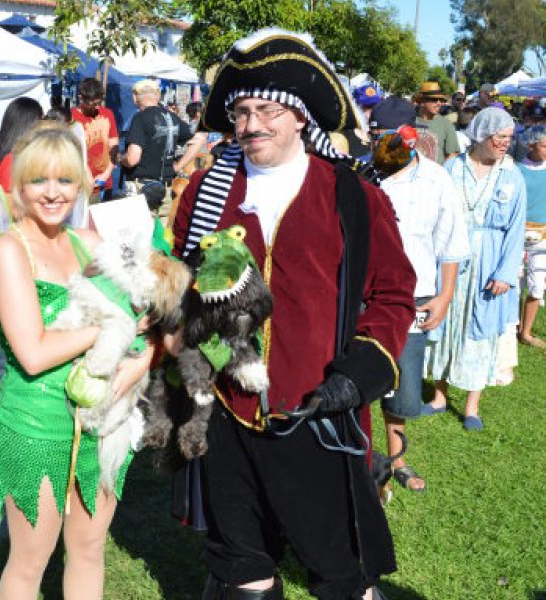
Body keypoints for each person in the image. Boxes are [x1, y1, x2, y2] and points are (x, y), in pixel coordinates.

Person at [170, 29, 416, 600]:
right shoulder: (209, 191)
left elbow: (394, 294)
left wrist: (356, 376)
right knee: (239, 567)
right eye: (242, 111)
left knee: (341, 571)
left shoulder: (352, 196)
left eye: (268, 110)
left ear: (301, 117)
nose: (252, 124)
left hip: (317, 416)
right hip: (226, 413)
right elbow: (182, 285)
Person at [0, 123, 153, 599]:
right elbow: (33, 354)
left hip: (102, 422)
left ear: (83, 185)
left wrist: (138, 364)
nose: (53, 193)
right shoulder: (9, 250)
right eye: (39, 180)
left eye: (65, 181)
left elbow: (153, 319)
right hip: (36, 425)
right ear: (19, 185)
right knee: (29, 563)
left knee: (89, 549)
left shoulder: (87, 243)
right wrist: (108, 328)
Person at [368, 97, 470, 492]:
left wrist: (445, 296)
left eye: (386, 137)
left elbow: (451, 243)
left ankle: (396, 460)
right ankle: (358, 459)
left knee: (402, 387)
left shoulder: (436, 180)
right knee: (356, 378)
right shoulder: (366, 175)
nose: (379, 144)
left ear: (409, 137)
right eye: (375, 136)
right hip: (364, 295)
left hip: (413, 297)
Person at [423, 107, 527, 430]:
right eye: (499, 137)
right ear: (482, 135)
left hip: (490, 263)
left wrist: (506, 273)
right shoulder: (452, 168)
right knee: (445, 322)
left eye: (508, 138)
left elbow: (516, 228)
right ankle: (439, 396)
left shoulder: (512, 175)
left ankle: (471, 407)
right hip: (450, 260)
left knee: (479, 332)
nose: (504, 144)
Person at [0, 97, 45, 393]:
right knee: (9, 321)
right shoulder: (12, 161)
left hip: (18, 245)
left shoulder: (13, 156)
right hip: (14, 247)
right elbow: (13, 208)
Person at [120, 79, 192, 216]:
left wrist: (120, 157)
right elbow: (199, 138)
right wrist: (178, 166)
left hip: (142, 189)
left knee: (139, 234)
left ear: (135, 98)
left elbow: (132, 159)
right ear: (158, 96)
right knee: (160, 234)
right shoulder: (172, 117)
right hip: (165, 188)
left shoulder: (140, 118)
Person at [516, 124, 546, 348]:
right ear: (532, 145)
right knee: (513, 283)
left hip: (543, 237)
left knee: (537, 284)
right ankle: (510, 328)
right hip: (517, 235)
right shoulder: (516, 169)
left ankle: (525, 332)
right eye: (545, 145)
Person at [70, 78, 119, 201]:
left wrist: (106, 174)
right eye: (92, 104)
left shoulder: (108, 114)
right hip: (80, 185)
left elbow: (114, 146)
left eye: (98, 103)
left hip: (103, 183)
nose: (96, 107)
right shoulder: (71, 117)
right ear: (80, 98)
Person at [0, 97, 44, 197]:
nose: (43, 128)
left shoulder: (20, 158)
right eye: (40, 122)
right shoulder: (12, 162)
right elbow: (11, 207)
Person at [414, 81, 460, 164]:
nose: (439, 103)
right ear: (423, 101)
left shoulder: (446, 124)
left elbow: (453, 154)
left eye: (441, 100)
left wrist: (439, 173)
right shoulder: (410, 120)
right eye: (434, 99)